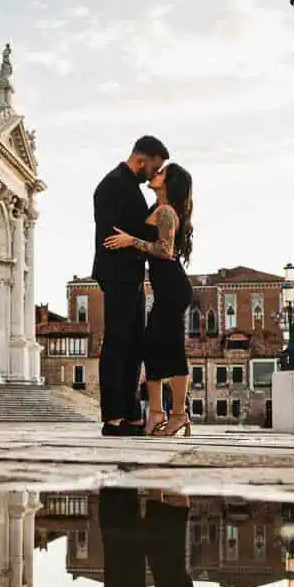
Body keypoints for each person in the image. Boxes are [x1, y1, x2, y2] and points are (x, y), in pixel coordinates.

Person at [103, 161, 194, 438]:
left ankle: (178, 415)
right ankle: (156, 413)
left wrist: (132, 241)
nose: (156, 174)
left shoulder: (166, 211)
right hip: (164, 287)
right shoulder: (156, 209)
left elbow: (165, 250)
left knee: (172, 349)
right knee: (150, 348)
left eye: (162, 172)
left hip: (173, 287)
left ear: (170, 183)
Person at [92, 135, 168, 437]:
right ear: (142, 159)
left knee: (134, 343)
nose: (153, 173)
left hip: (132, 274)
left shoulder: (129, 187)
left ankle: (131, 413)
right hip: (117, 272)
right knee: (117, 342)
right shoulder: (112, 185)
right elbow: (119, 232)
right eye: (154, 167)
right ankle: (113, 417)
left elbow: (137, 228)